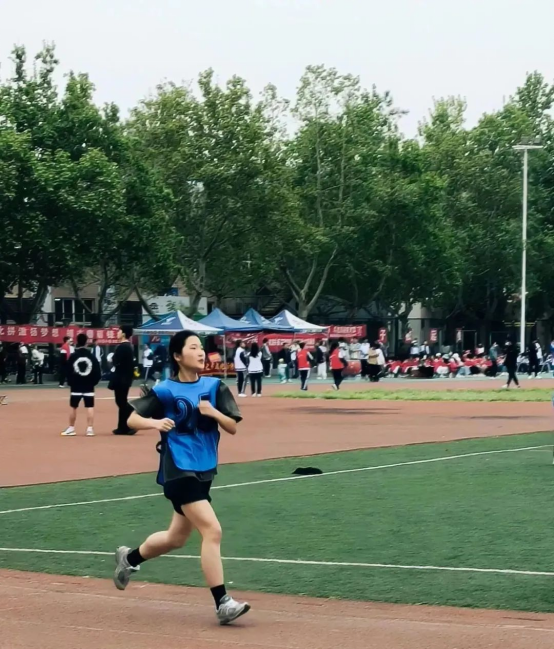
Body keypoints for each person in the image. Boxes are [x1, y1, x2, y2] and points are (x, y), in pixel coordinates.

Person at [114, 330, 250, 625]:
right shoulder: (164, 390)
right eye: (193, 347)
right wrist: (154, 423)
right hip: (177, 468)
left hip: (204, 468)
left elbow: (232, 426)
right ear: (177, 356)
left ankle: (130, 558)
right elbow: (131, 418)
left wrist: (213, 412)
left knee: (176, 538)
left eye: (202, 347)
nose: (201, 352)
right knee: (212, 530)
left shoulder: (214, 387)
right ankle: (222, 603)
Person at [61, 333, 101, 437]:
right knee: (90, 406)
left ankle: (71, 428)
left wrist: (71, 382)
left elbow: (68, 371)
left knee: (73, 407)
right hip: (89, 385)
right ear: (86, 342)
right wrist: (93, 382)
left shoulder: (73, 356)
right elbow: (97, 371)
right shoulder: (91, 357)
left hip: (76, 386)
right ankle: (90, 429)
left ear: (77, 342)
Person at [111, 325, 136, 435]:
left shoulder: (123, 347)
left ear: (124, 334)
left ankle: (126, 426)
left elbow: (116, 361)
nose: (117, 333)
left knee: (121, 402)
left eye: (119, 331)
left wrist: (113, 359)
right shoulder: (128, 346)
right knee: (121, 402)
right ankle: (123, 426)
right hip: (125, 378)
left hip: (121, 378)